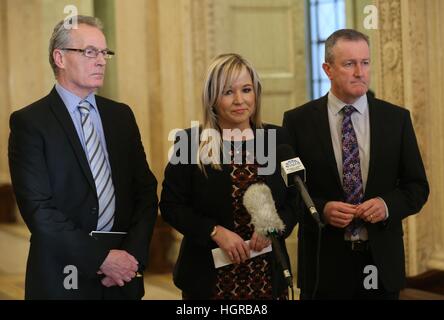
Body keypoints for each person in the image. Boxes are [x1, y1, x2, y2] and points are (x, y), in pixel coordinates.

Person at [8, 15, 158, 299]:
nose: (101, 61)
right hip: (62, 277)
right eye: (90, 52)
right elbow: (39, 209)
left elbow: (146, 193)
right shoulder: (31, 122)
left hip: (123, 278)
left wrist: (131, 258)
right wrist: (101, 259)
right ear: (60, 58)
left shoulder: (121, 116)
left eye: (104, 53)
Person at [283, 29, 429, 300]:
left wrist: (386, 205)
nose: (360, 72)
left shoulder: (396, 120)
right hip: (323, 264)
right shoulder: (297, 122)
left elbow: (417, 187)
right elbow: (288, 192)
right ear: (327, 69)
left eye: (365, 62)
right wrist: (322, 209)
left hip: (380, 262)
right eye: (349, 64)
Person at [160, 53, 300, 299]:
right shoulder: (189, 143)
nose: (239, 100)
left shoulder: (278, 139)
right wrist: (214, 232)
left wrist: (274, 228)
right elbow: (171, 206)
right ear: (212, 98)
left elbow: (295, 198)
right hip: (210, 278)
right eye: (228, 92)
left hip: (268, 274)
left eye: (246, 90)